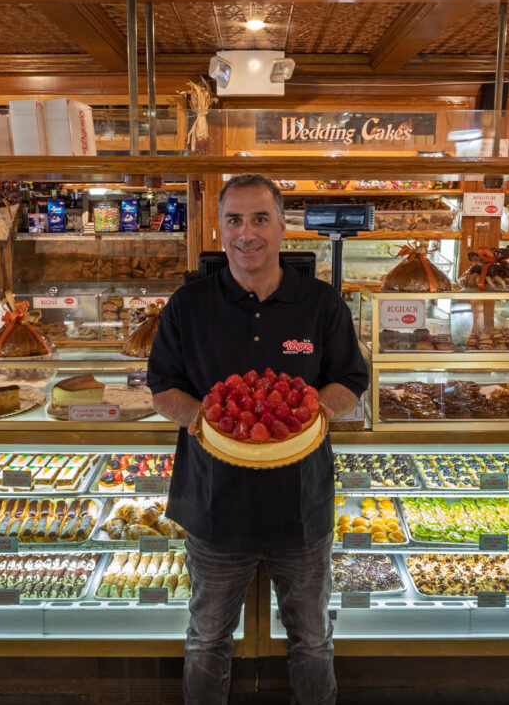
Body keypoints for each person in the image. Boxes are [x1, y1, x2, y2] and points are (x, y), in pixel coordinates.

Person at [148, 173, 368, 705]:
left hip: (301, 505)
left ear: (282, 225)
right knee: (206, 640)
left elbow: (352, 380)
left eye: (260, 218)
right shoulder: (188, 305)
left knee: (313, 641)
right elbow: (162, 389)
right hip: (214, 504)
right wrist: (210, 417)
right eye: (234, 220)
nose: (247, 233)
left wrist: (313, 406)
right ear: (220, 228)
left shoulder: (320, 304)